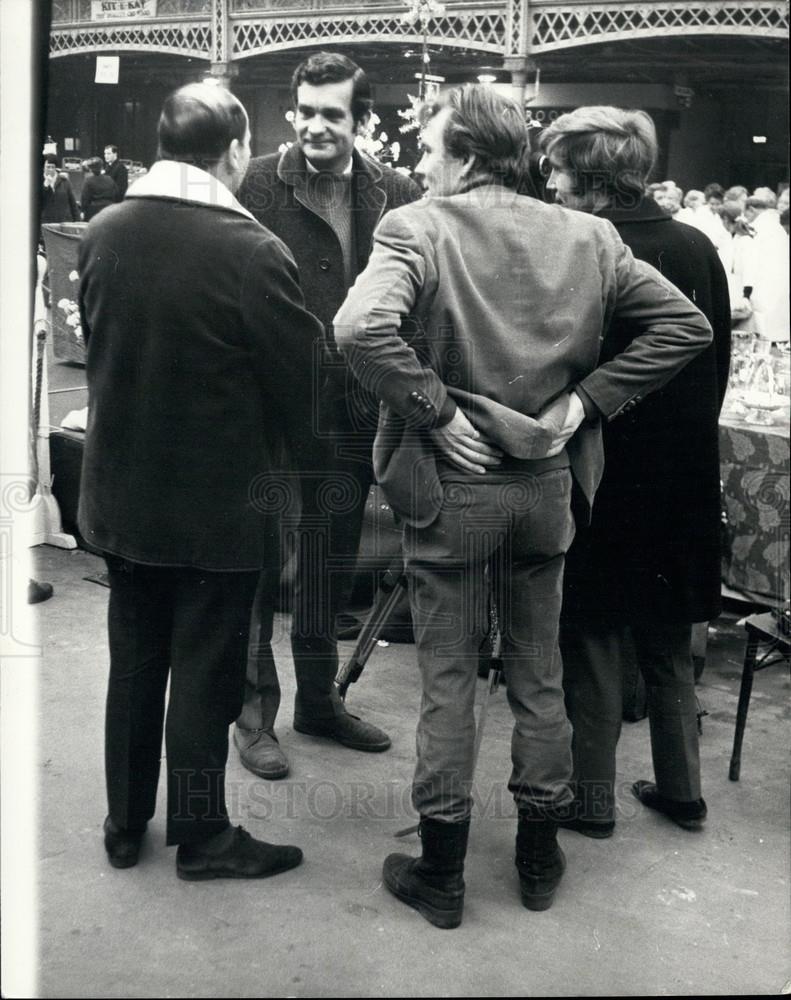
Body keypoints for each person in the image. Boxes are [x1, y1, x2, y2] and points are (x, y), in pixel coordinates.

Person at [334, 84, 713, 928]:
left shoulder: (417, 227)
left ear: (465, 156)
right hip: (545, 489)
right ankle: (539, 858)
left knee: (447, 682)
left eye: (432, 151)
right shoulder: (589, 235)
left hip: (450, 492)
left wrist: (432, 407)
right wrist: (583, 405)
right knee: (539, 671)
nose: (424, 166)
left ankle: (441, 874)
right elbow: (684, 327)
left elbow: (359, 330)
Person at [78, 82, 325, 880]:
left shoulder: (104, 230)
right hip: (219, 507)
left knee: (136, 660)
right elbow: (302, 389)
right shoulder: (251, 251)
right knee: (206, 669)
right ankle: (202, 835)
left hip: (118, 493)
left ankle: (124, 823)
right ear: (236, 147)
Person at [537, 105, 731, 839]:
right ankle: (682, 791)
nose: (548, 182)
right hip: (681, 473)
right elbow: (715, 363)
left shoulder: (584, 246)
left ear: (592, 180)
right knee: (665, 638)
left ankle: (590, 801)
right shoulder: (695, 244)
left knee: (589, 640)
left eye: (557, 168)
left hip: (603, 471)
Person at [234, 51, 422, 779]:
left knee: (327, 565)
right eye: (305, 111)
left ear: (360, 120)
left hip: (351, 411)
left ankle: (318, 700)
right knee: (261, 568)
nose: (315, 126)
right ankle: (253, 716)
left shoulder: (392, 190)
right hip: (272, 411)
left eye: (332, 114)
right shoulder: (253, 182)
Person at [743, 191, 790, 341]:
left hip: (764, 283)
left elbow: (751, 261)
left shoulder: (758, 227)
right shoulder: (777, 226)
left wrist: (746, 290)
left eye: (747, 214)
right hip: (779, 282)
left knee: (764, 331)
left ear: (752, 209)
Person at [41, 155, 79, 225]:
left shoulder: (64, 181)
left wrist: (77, 221)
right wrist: (45, 186)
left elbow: (73, 203)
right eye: (48, 167)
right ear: (43, 167)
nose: (51, 169)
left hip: (64, 222)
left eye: (53, 167)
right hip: (46, 223)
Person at [80, 156, 116, 220]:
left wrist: (82, 210)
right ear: (101, 167)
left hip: (93, 211)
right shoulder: (109, 179)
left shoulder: (88, 181)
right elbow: (116, 193)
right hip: (109, 209)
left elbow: (85, 197)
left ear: (90, 169)